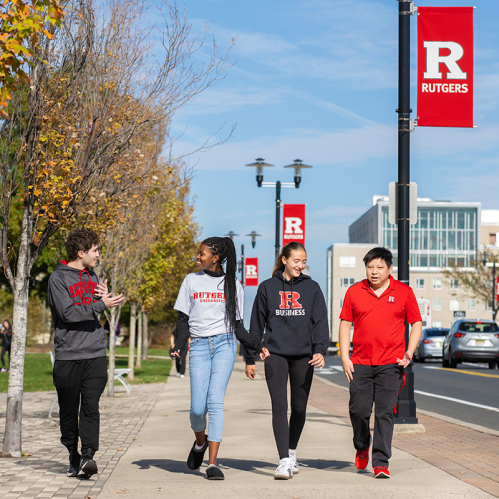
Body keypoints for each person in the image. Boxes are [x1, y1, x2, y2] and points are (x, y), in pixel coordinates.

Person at [171, 236, 269, 480]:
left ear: (215, 257)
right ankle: (199, 443)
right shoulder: (191, 280)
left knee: (214, 403)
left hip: (224, 345)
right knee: (196, 409)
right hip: (200, 346)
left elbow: (238, 325)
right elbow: (183, 320)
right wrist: (179, 346)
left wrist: (256, 347)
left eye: (201, 253)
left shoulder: (233, 285)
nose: (197, 256)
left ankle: (212, 464)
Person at [245, 242, 329, 480]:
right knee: (279, 405)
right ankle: (283, 461)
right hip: (275, 354)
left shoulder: (312, 288)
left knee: (300, 408)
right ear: (284, 260)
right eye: (296, 261)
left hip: (304, 354)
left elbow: (321, 322)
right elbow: (255, 325)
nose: (300, 265)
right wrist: (250, 355)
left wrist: (320, 350)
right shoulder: (267, 288)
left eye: (303, 261)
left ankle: (292, 452)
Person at [339, 247, 422, 479]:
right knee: (359, 411)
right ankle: (362, 445)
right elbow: (345, 324)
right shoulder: (355, 291)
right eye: (370, 267)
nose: (374, 272)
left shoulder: (404, 292)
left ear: (389, 269)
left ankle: (381, 462)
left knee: (385, 413)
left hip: (391, 364)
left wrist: (409, 351)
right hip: (361, 363)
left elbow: (416, 323)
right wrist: (345, 357)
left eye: (379, 267)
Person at [48, 228, 124, 479]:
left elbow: (92, 309)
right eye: (95, 251)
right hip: (68, 355)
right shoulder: (58, 279)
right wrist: (101, 304)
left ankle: (89, 455)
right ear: (81, 253)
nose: (99, 255)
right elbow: (68, 313)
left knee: (90, 406)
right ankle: (73, 454)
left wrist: (104, 298)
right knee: (69, 410)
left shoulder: (93, 275)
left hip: (94, 352)